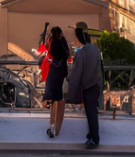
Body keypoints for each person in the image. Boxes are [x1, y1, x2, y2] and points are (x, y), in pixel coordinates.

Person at [66, 21, 103, 149]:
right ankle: (92, 134)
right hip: (96, 84)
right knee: (92, 111)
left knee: (91, 113)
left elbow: (76, 73)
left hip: (87, 86)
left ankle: (94, 138)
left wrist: (70, 84)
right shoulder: (95, 49)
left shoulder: (81, 52)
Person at [42, 26, 71, 138]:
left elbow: (48, 53)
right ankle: (56, 129)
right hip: (61, 72)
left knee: (53, 99)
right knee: (59, 98)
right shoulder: (63, 42)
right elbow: (67, 56)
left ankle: (51, 125)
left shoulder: (51, 42)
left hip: (53, 71)